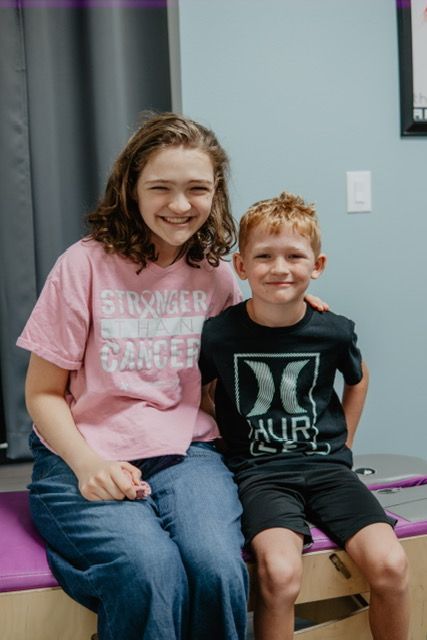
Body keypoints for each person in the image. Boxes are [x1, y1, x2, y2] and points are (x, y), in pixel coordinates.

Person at [17, 112, 251, 640]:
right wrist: (88, 464)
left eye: (197, 188)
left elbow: (241, 351)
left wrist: (297, 306)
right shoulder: (83, 265)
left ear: (215, 194)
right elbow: (43, 393)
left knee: (216, 566)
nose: (179, 205)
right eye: (160, 188)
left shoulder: (216, 273)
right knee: (148, 570)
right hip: (83, 449)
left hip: (188, 453)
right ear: (131, 189)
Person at [199, 191, 410, 640]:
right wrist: (223, 423)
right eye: (264, 256)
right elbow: (198, 389)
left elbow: (358, 378)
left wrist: (345, 444)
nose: (280, 268)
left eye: (295, 256)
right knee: (278, 575)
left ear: (317, 266)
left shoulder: (334, 330)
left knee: (391, 566)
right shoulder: (219, 334)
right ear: (241, 266)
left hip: (329, 471)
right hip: (260, 475)